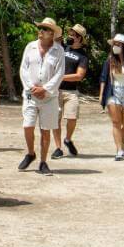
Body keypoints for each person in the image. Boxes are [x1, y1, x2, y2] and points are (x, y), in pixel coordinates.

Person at [18, 17, 65, 175]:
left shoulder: (59, 51)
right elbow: (23, 69)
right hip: (31, 94)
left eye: (45, 29)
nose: (41, 31)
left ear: (52, 34)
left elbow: (59, 74)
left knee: (46, 129)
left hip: (49, 97)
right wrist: (31, 88)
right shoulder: (30, 47)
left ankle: (43, 162)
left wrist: (45, 89)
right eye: (41, 28)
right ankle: (31, 153)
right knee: (28, 125)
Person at [51, 23, 89, 159]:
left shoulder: (83, 56)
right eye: (70, 33)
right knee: (55, 120)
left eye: (73, 34)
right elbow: (53, 41)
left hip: (71, 92)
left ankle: (67, 139)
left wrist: (60, 77)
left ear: (80, 38)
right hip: (56, 90)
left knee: (72, 118)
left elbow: (79, 76)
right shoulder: (63, 48)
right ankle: (58, 148)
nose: (70, 36)